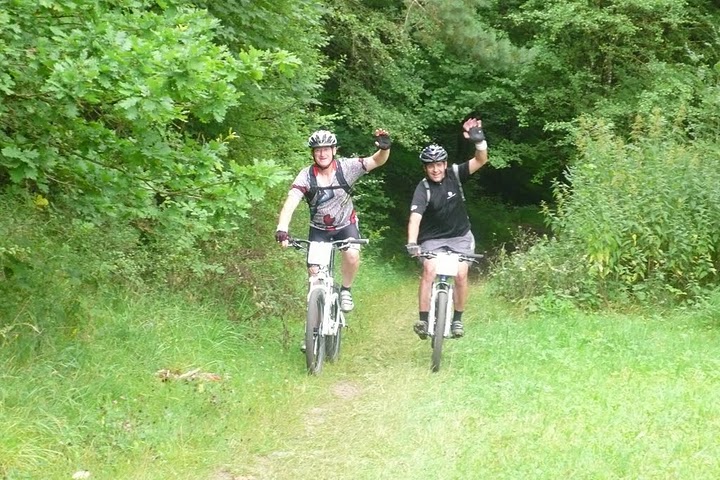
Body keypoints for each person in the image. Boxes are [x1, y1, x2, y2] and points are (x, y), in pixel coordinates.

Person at [275, 127, 391, 312]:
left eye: (326, 149)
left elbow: (376, 160)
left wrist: (384, 149)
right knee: (314, 275)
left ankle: (346, 290)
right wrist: (282, 228)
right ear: (313, 153)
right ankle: (316, 323)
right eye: (318, 150)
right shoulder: (306, 176)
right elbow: (291, 202)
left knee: (352, 255)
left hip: (346, 225)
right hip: (319, 229)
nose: (322, 154)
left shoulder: (346, 168)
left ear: (334, 150)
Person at [406, 117, 488, 339]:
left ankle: (457, 319)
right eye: (430, 166)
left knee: (461, 274)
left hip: (460, 237)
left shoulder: (455, 174)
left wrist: (479, 142)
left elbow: (481, 160)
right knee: (429, 269)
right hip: (432, 240)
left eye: (438, 165)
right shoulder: (423, 188)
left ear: (445, 164)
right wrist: (412, 243)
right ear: (425, 168)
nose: (435, 170)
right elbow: (415, 218)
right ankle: (423, 320)